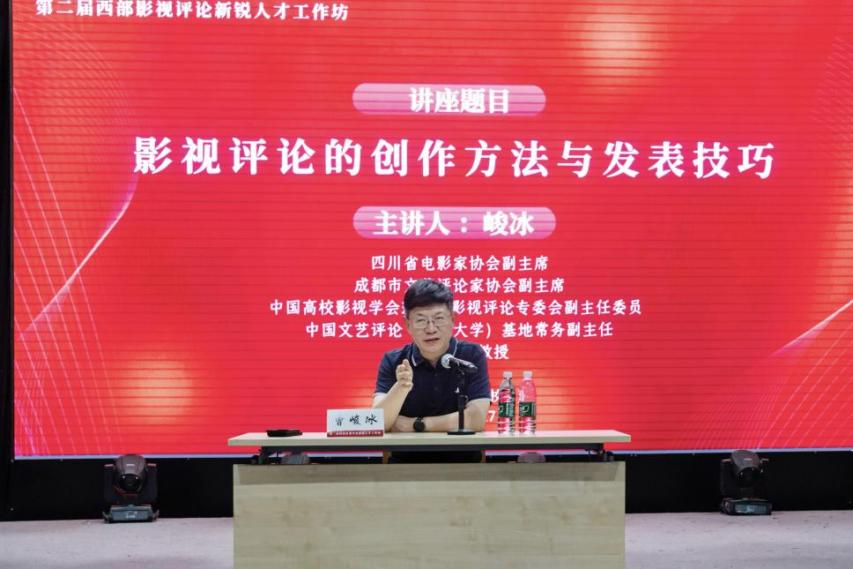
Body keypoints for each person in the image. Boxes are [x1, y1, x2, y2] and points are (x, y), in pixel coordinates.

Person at [373, 279, 491, 462]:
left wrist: (416, 424)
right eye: (421, 320)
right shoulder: (394, 360)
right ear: (407, 324)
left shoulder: (471, 355)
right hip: (404, 466)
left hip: (464, 466)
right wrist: (401, 388)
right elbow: (378, 423)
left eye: (438, 319)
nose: (430, 329)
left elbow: (476, 419)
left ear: (453, 319)